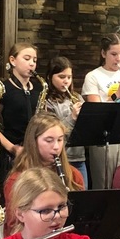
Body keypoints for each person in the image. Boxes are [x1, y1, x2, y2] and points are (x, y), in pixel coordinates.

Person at [82, 33, 120, 189]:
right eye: (114, 54)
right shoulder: (93, 76)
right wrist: (118, 94)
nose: (119, 59)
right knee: (104, 185)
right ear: (103, 53)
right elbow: (96, 112)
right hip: (104, 139)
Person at [3, 112, 84, 205]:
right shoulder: (16, 181)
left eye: (60, 140)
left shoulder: (73, 175)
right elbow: (14, 214)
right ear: (33, 142)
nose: (56, 147)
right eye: (49, 140)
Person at [0, 42, 44, 169]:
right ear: (13, 60)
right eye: (27, 59)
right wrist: (11, 148)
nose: (32, 63)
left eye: (34, 60)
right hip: (12, 153)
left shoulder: (39, 88)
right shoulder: (3, 88)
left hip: (35, 151)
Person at [43, 56, 88, 186]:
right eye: (61, 77)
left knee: (82, 193)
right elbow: (52, 131)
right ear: (50, 77)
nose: (66, 81)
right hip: (60, 158)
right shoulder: (47, 102)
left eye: (69, 77)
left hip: (79, 157)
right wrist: (72, 117)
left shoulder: (77, 97)